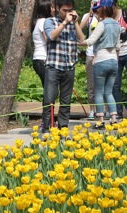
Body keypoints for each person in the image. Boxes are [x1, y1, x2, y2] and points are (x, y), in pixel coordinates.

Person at [41, 0, 84, 136]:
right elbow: (51, 36)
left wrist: (76, 22)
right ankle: (47, 128)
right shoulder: (49, 21)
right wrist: (64, 22)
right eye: (64, 10)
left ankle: (63, 128)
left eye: (69, 10)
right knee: (49, 99)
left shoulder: (73, 22)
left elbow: (82, 39)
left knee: (66, 101)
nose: (67, 13)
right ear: (57, 8)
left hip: (69, 66)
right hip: (54, 66)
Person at [78, 0, 121, 129]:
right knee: (109, 92)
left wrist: (76, 44)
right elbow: (118, 46)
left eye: (98, 9)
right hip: (114, 60)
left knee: (98, 92)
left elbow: (91, 40)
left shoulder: (101, 24)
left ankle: (100, 120)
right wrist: (116, 62)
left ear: (103, 10)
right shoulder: (117, 25)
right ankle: (114, 119)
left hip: (101, 60)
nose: (96, 11)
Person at [32, 0, 55, 130]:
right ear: (47, 8)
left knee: (50, 92)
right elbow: (49, 39)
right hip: (42, 60)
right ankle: (46, 122)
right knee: (49, 92)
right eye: (52, 6)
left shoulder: (39, 21)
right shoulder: (43, 22)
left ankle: (49, 121)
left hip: (41, 60)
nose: (54, 8)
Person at [80, 0, 99, 120]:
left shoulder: (106, 15)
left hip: (103, 54)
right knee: (91, 84)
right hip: (91, 54)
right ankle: (92, 110)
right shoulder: (88, 17)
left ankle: (105, 109)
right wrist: (90, 12)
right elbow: (80, 29)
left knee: (104, 85)